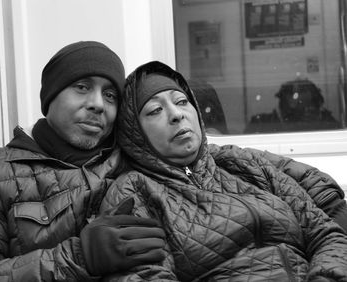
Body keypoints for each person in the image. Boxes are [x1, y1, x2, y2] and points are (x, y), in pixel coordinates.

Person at [100, 61, 347, 281]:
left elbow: (326, 234)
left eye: (181, 101)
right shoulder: (134, 190)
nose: (176, 115)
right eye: (155, 110)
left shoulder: (242, 163)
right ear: (136, 132)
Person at [0, 41, 168, 281]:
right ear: (50, 96)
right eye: (82, 87)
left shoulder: (132, 159)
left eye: (110, 95)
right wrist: (79, 257)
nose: (98, 104)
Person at [245, 78, 341, 133]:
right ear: (282, 106)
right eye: (294, 107)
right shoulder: (260, 124)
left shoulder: (329, 126)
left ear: (319, 108)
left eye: (309, 108)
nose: (303, 112)